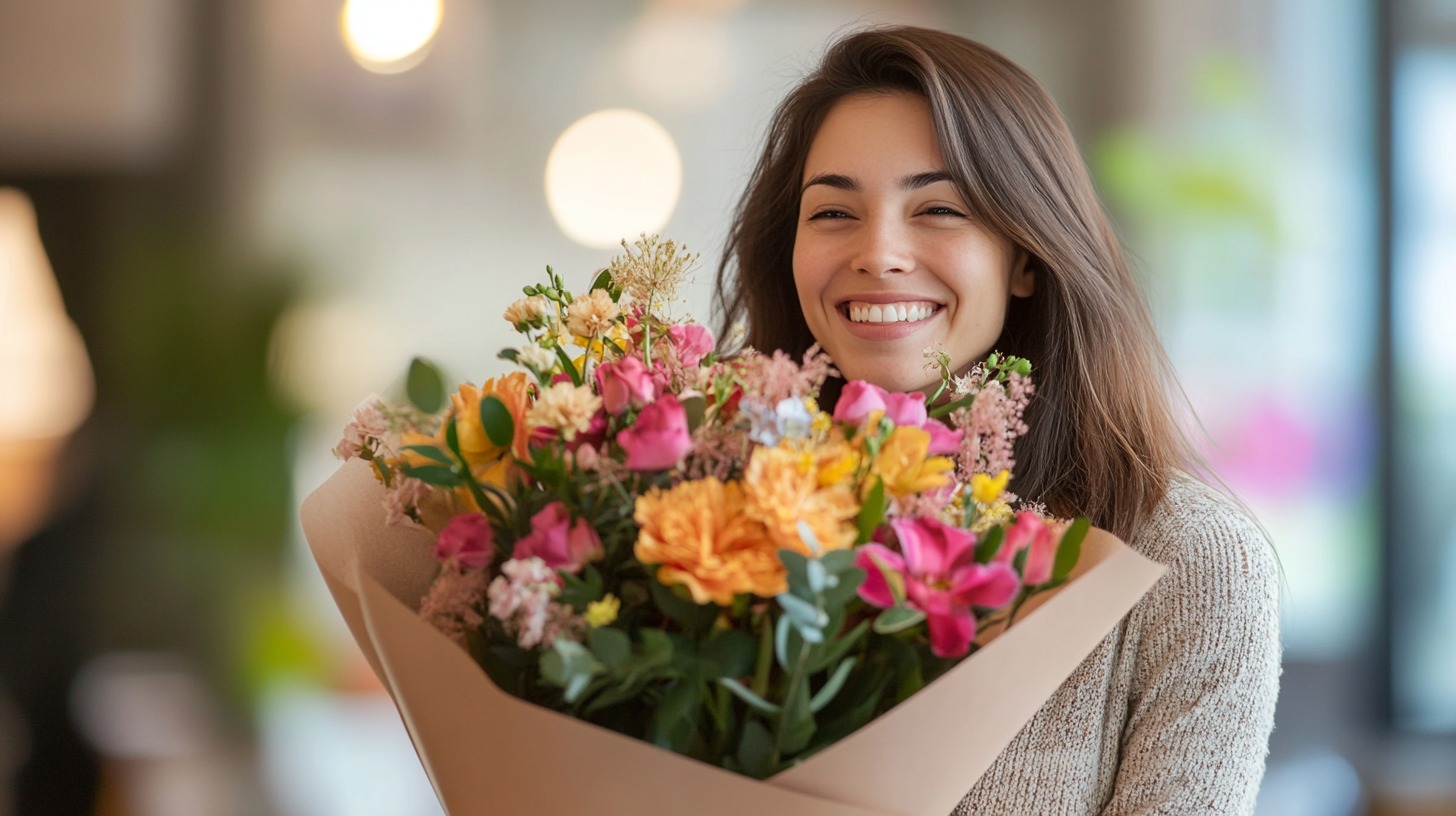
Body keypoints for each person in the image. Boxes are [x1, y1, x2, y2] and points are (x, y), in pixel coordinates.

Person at [714, 25, 1281, 815]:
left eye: (939, 208)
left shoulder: (1188, 562)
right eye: (834, 212)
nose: (878, 252)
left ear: (1024, 254)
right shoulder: (702, 525)